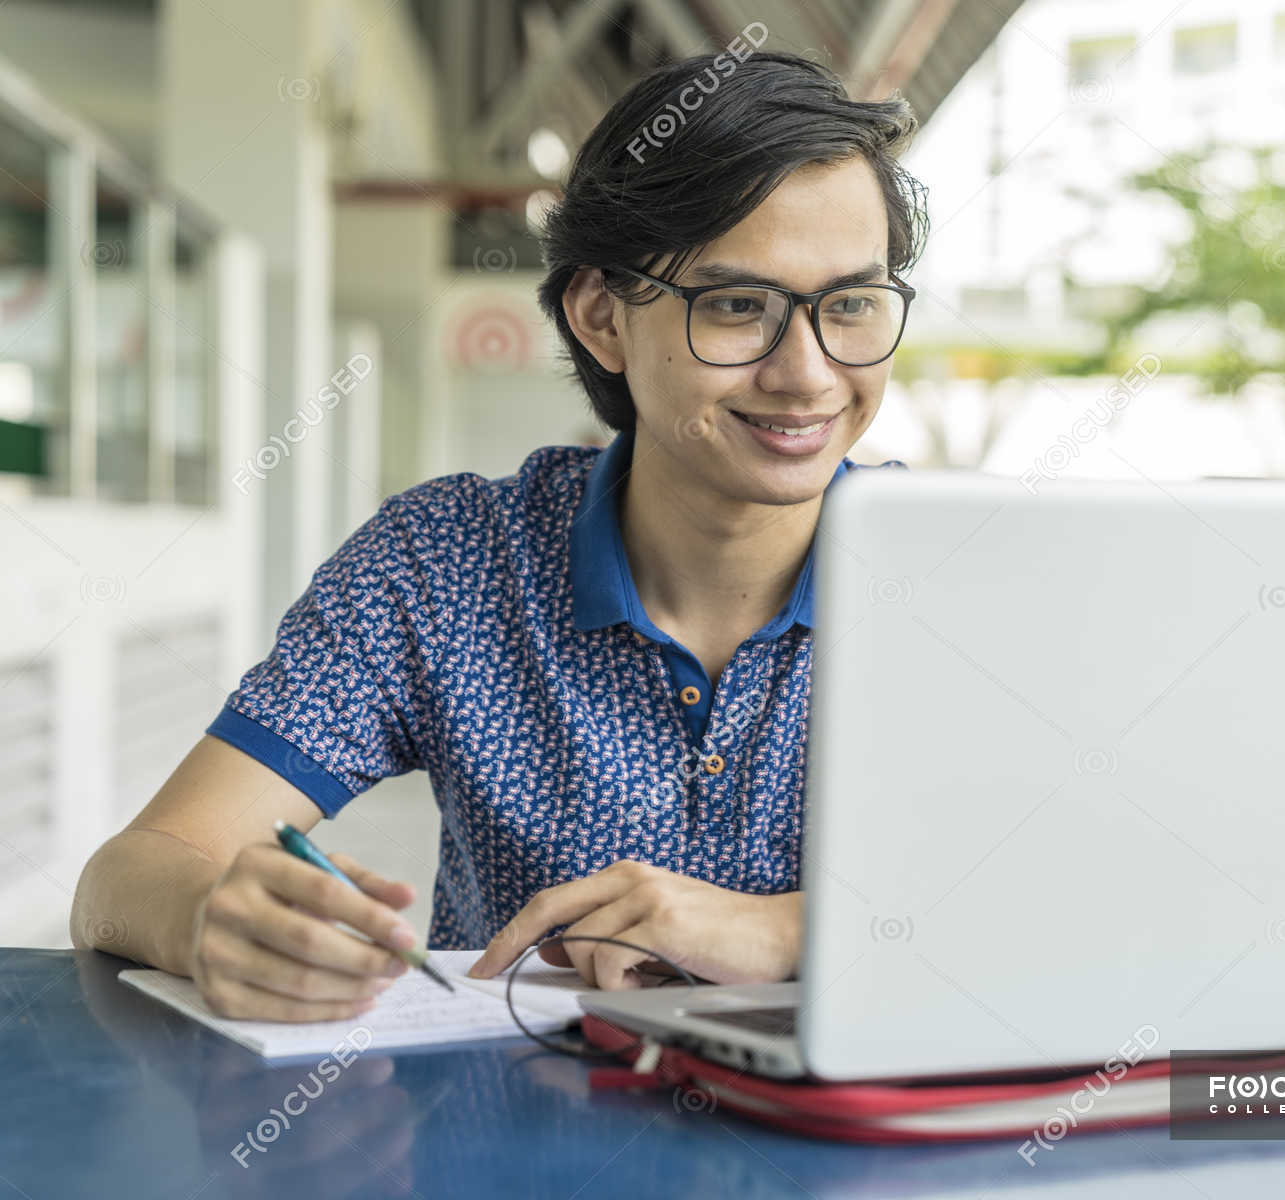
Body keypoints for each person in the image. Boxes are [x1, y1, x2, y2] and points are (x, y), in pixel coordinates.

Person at [70, 49, 927, 1021]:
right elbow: (126, 876)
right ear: (603, 317)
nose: (808, 374)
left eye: (851, 305)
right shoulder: (450, 564)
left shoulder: (963, 581)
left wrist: (789, 932)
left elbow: (1109, 904)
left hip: (866, 1159)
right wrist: (210, 917)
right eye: (738, 307)